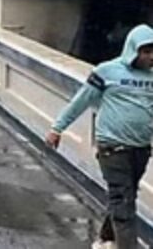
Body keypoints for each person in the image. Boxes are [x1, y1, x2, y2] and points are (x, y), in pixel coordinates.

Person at [46, 24, 153, 249]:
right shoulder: (107, 72)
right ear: (133, 50)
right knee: (123, 201)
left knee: (126, 195)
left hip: (141, 148)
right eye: (146, 51)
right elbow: (81, 100)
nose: (151, 56)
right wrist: (57, 128)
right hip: (113, 149)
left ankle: (106, 239)